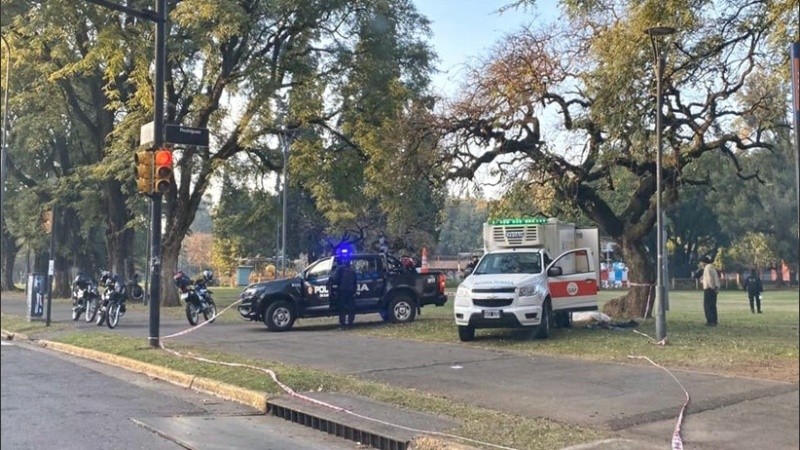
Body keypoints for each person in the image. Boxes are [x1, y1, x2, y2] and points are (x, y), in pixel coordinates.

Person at [329, 256, 357, 329]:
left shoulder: (339, 269)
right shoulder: (352, 270)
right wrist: (354, 291)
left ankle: (343, 325)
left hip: (342, 291)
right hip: (350, 291)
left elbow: (335, 279)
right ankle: (350, 324)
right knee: (351, 308)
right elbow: (355, 282)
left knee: (342, 308)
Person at [700, 255, 720, 326]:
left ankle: (710, 321)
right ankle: (714, 320)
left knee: (707, 305)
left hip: (709, 289)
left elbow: (710, 279)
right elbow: (715, 278)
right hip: (714, 289)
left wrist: (712, 287)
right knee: (713, 305)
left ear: (704, 262)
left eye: (701, 263)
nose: (700, 264)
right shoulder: (712, 267)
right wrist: (716, 287)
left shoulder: (707, 268)